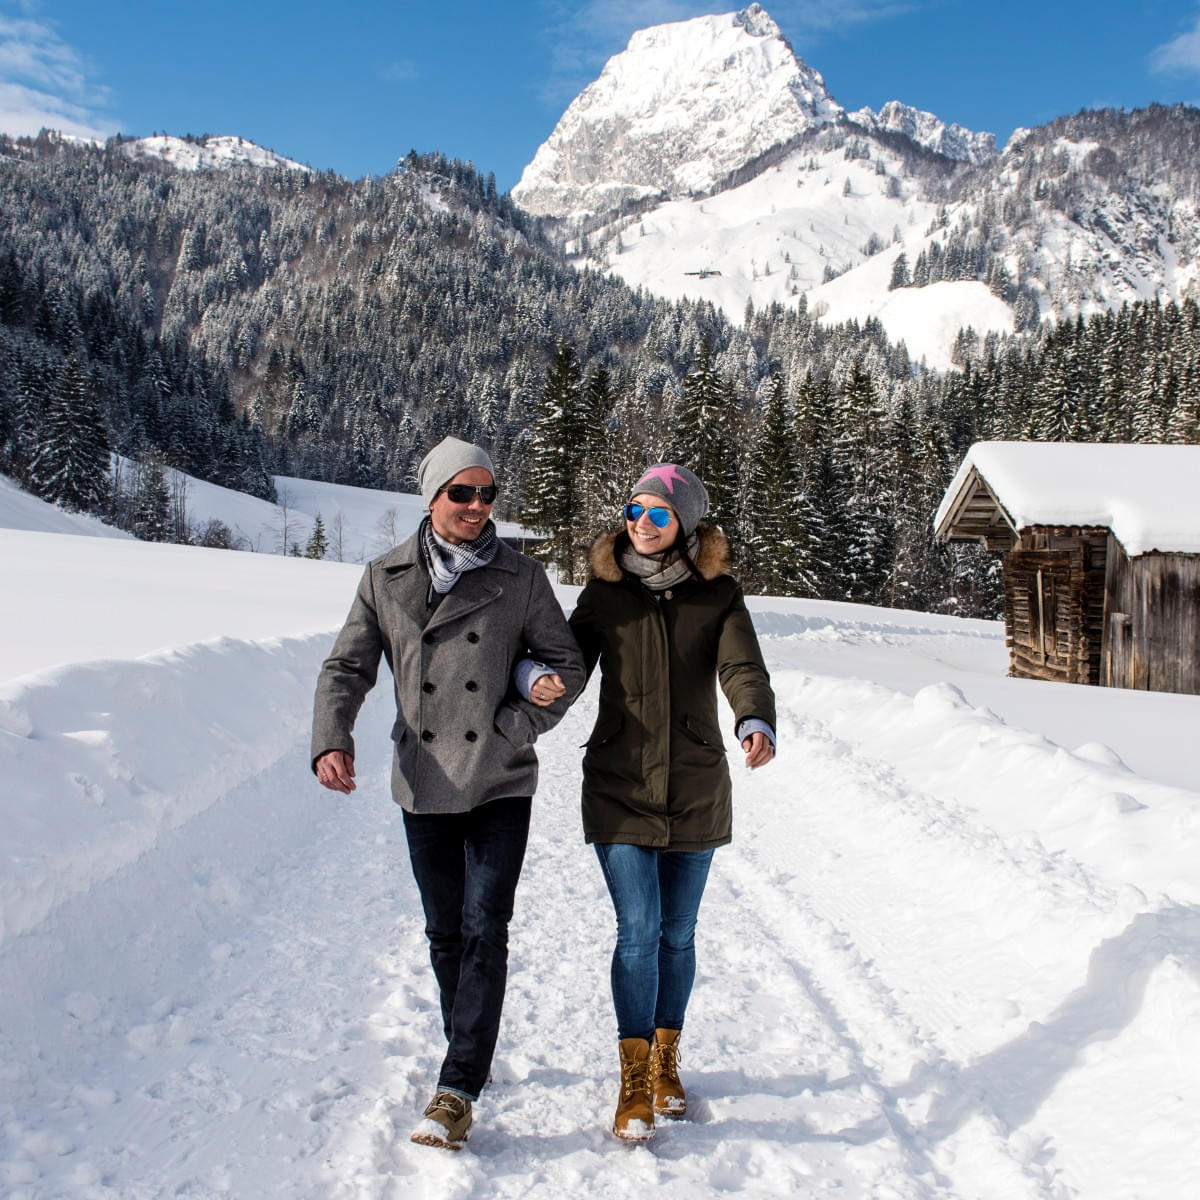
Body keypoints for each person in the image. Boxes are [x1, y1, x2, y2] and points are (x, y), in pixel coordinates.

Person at [311, 436, 585, 1152]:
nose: (475, 506)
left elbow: (565, 662)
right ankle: (465, 1041)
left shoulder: (521, 577)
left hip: (499, 777)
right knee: (444, 933)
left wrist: (517, 724)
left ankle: (459, 1083)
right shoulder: (384, 576)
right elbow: (347, 666)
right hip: (423, 777)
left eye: (487, 494)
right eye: (461, 493)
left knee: (485, 927)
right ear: (431, 497)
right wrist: (331, 736)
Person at [524, 463, 776, 1141]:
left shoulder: (718, 594)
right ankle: (632, 1077)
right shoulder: (606, 596)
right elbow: (569, 663)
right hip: (620, 785)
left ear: (685, 523)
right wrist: (541, 684)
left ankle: (666, 1059)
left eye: (659, 514)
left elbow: (742, 667)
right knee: (638, 931)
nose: (642, 522)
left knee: (677, 934)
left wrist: (755, 718)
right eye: (635, 509)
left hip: (695, 785)